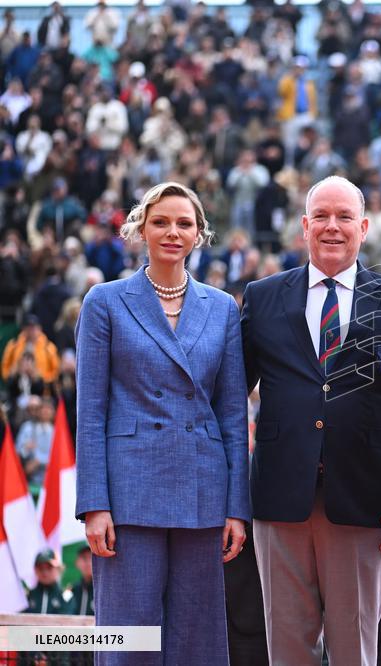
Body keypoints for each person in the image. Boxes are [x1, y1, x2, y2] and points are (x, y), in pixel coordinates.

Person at [76, 181, 250, 665]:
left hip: (203, 492)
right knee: (127, 639)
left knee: (198, 641)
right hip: (128, 495)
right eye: (161, 222)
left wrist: (237, 508)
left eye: (184, 223)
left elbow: (232, 415)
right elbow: (90, 413)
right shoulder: (104, 301)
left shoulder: (222, 307)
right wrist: (94, 505)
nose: (173, 232)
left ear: (198, 234)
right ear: (141, 230)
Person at [241, 175, 381, 665]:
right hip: (278, 498)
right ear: (304, 225)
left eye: (344, 217)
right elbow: (232, 396)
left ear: (364, 227)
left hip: (364, 498)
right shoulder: (263, 296)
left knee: (356, 650)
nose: (332, 226)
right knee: (287, 651)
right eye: (321, 216)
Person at [26, 548, 68, 614]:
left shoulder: (66, 596)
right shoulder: (28, 596)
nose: (45, 572)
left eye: (49, 567)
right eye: (40, 568)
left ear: (58, 569)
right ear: (35, 570)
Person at [67, 545, 95, 616]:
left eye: (92, 558)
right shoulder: (71, 590)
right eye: (84, 558)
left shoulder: (104, 591)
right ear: (76, 563)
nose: (88, 563)